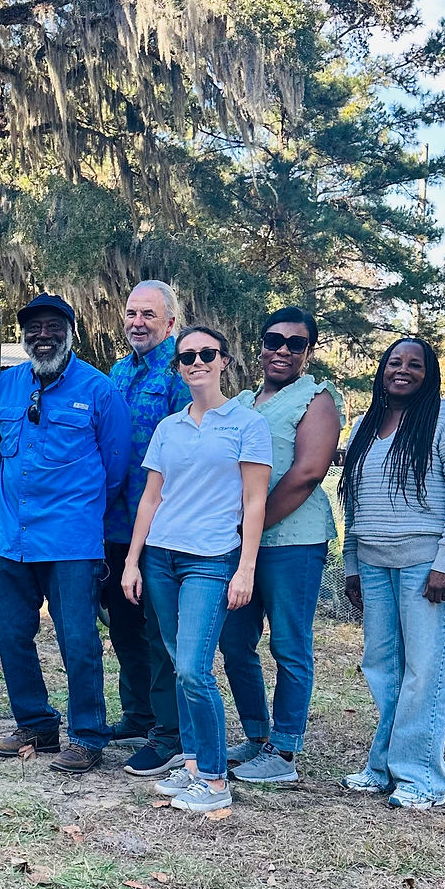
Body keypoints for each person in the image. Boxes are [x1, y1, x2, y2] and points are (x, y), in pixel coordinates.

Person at [121, 326, 272, 812]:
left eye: (207, 354)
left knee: (193, 667)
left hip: (211, 559)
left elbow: (254, 502)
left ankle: (214, 780)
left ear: (224, 361)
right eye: (187, 356)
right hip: (160, 556)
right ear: (179, 366)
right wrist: (132, 561)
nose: (196, 362)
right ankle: (191, 767)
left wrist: (245, 567)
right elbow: (151, 497)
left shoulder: (246, 424)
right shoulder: (170, 427)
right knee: (175, 657)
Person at [338, 338, 445, 810]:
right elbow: (355, 503)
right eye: (394, 362)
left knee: (426, 670)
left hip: (428, 565)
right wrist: (353, 565)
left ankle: (421, 776)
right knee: (383, 668)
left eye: (414, 364)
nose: (403, 371)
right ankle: (382, 767)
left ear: (429, 372)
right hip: (375, 563)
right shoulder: (364, 425)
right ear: (382, 370)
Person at [0, 294, 131, 773]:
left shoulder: (98, 390)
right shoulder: (5, 385)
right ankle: (36, 723)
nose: (42, 335)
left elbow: (116, 469)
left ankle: (88, 735)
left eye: (53, 326)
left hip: (71, 540)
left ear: (72, 332)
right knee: (8, 632)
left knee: (78, 640)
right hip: (11, 536)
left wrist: (83, 511)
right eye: (33, 328)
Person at [218, 307, 342, 783]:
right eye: (274, 340)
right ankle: (255, 735)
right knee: (234, 639)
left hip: (294, 540)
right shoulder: (243, 402)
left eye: (296, 343)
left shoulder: (317, 399)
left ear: (308, 352)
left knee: (289, 644)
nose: (282, 351)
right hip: (241, 544)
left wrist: (253, 524)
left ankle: (284, 750)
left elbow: (309, 472)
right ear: (260, 345)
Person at [104, 280, 190, 775]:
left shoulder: (182, 372)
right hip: (116, 525)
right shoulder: (117, 372)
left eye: (149, 315)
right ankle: (136, 714)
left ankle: (168, 731)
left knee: (162, 633)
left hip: (162, 526)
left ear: (171, 323)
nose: (138, 322)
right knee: (125, 626)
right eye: (132, 313)